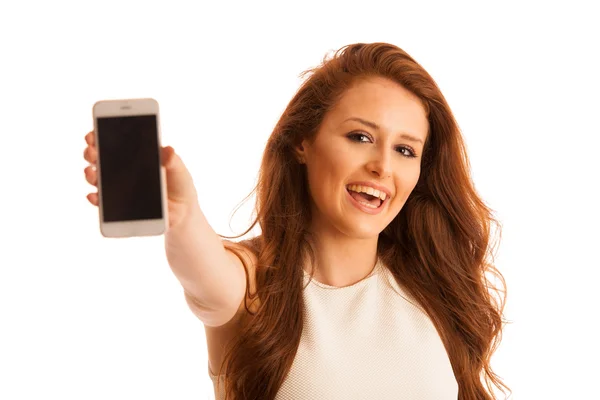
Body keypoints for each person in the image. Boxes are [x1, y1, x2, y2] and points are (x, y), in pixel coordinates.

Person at [83, 42, 509, 400]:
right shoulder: (254, 280)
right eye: (360, 137)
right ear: (303, 142)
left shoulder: (430, 285)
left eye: (405, 150)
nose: (383, 166)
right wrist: (182, 214)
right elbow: (205, 277)